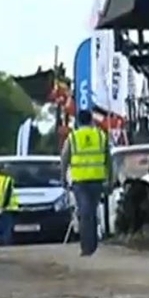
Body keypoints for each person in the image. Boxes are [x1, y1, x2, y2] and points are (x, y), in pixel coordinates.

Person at [61, 109, 112, 256]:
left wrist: (63, 178)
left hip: (80, 181)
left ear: (78, 121)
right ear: (91, 120)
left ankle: (86, 247)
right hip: (97, 180)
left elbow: (64, 158)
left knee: (84, 213)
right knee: (92, 211)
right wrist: (110, 179)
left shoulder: (73, 137)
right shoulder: (100, 136)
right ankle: (93, 244)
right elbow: (108, 159)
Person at [0, 168, 18, 246]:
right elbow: (7, 195)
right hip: (7, 208)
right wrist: (3, 206)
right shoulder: (7, 179)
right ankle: (5, 246)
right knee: (6, 229)